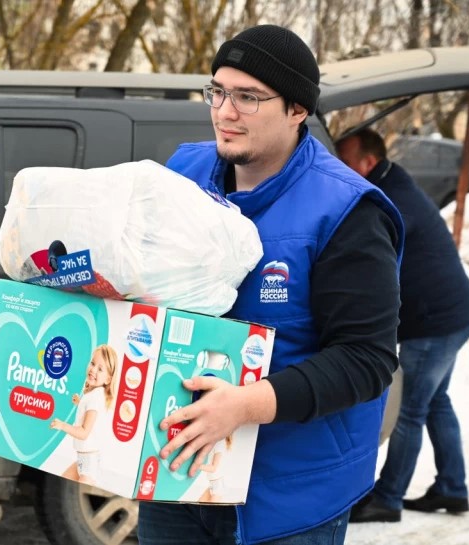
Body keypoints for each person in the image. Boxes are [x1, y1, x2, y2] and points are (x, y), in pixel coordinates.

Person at [136, 25, 405, 545]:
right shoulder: (183, 171)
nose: (224, 111)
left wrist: (244, 405)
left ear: (297, 110)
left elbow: (366, 359)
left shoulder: (347, 211)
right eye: (217, 91)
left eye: (248, 97)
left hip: (289, 496)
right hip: (179, 471)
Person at [335, 128, 469, 523]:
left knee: (409, 412)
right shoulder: (391, 184)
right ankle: (453, 488)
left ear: (368, 163)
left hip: (436, 324)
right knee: (436, 402)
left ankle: (388, 498)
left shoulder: (391, 202)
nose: (340, 169)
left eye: (346, 162)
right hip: (452, 314)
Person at [50, 344, 118, 485]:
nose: (93, 370)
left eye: (100, 369)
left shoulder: (95, 397)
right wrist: (80, 402)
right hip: (83, 460)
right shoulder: (95, 394)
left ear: (108, 379)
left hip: (88, 464)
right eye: (92, 363)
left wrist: (63, 425)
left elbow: (84, 432)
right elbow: (89, 414)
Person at [198, 435, 233, 503]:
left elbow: (213, 468)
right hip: (214, 484)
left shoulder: (220, 443)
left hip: (219, 485)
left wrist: (196, 466)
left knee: (207, 509)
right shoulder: (218, 442)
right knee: (199, 504)